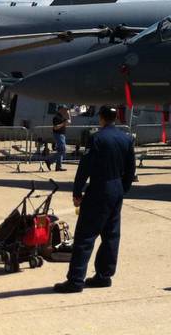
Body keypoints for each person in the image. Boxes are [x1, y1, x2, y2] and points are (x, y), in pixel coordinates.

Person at [53, 106, 135, 293]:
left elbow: (85, 167)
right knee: (111, 235)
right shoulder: (126, 138)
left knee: (85, 236)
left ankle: (75, 280)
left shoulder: (96, 138)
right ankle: (104, 275)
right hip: (116, 189)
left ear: (101, 118)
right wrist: (123, 189)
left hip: (99, 188)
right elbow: (131, 169)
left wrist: (77, 192)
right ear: (115, 118)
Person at [47, 105, 70, 171]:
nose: (66, 111)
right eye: (65, 109)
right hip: (58, 135)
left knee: (61, 151)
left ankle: (58, 167)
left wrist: (69, 114)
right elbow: (55, 127)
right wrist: (63, 124)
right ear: (60, 109)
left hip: (62, 135)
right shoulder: (56, 117)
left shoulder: (62, 117)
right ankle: (49, 161)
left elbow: (69, 122)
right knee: (62, 150)